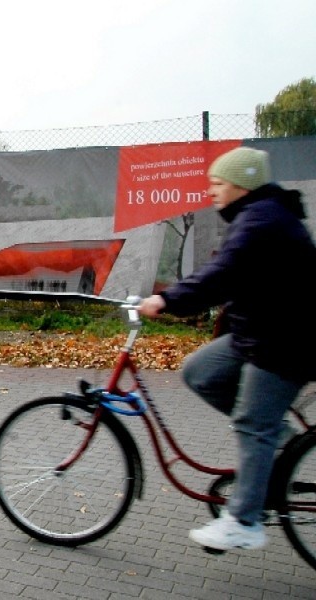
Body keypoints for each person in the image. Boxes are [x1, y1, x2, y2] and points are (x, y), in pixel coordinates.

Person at [138, 146, 316, 551]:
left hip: (287, 342)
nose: (212, 191)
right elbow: (229, 273)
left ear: (242, 184)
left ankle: (243, 522)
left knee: (254, 423)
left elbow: (222, 274)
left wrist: (168, 300)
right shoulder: (255, 216)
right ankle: (281, 439)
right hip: (258, 333)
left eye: (218, 184)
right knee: (200, 371)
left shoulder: (262, 219)